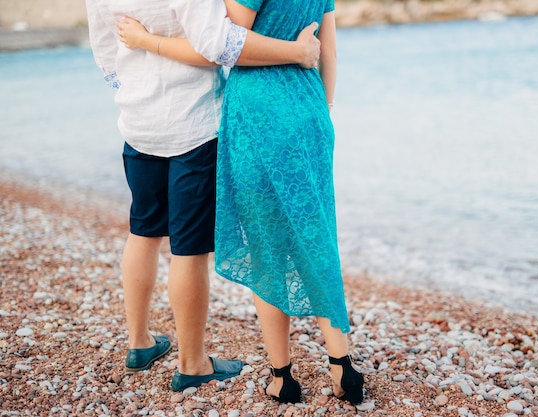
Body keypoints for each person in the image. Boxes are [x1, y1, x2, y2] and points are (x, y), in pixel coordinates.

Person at [117, 0, 364, 405]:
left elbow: (224, 45)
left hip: (257, 113)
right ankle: (342, 364)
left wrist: (147, 40)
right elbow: (330, 50)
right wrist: (326, 111)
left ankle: (282, 377)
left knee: (266, 246)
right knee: (316, 235)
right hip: (310, 108)